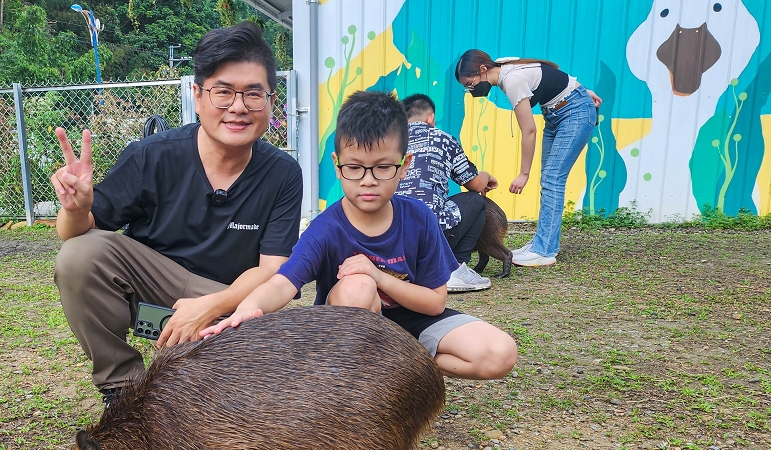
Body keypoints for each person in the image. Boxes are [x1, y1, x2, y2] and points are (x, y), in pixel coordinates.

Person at [49, 21, 303, 404]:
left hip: (224, 300)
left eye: (254, 94)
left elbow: (273, 269)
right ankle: (122, 390)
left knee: (262, 387)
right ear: (198, 96)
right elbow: (75, 234)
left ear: (270, 101)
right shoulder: (151, 155)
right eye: (223, 92)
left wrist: (208, 308)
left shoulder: (282, 173)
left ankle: (189, 358)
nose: (238, 107)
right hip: (152, 290)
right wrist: (76, 208)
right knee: (79, 255)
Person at [202, 91, 518, 381]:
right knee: (357, 287)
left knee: (499, 353)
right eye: (355, 168)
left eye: (382, 168)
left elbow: (435, 303)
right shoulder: (327, 227)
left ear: (404, 165)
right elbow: (282, 282)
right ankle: (355, 383)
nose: (368, 181)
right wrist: (248, 308)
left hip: (411, 325)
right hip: (347, 329)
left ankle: (397, 364)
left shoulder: (419, 218)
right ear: (337, 166)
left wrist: (378, 276)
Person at [455, 50, 603, 267]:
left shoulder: (512, 80)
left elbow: (529, 131)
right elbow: (547, 75)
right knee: (550, 180)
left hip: (573, 114)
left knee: (553, 179)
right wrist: (576, 91)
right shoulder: (506, 67)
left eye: (470, 83)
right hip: (558, 112)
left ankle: (545, 250)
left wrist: (524, 174)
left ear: (483, 70)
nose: (471, 89)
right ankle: (541, 242)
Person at [397, 93, 497, 292]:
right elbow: (476, 185)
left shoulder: (390, 141)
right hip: (430, 231)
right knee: (475, 201)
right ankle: (454, 269)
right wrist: (486, 176)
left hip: (393, 234)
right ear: (431, 117)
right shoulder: (443, 139)